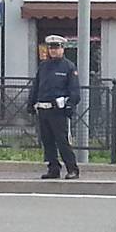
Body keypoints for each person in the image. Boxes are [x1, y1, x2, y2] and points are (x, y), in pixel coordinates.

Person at [27, 35, 81, 179]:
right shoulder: (44, 66)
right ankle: (53, 168)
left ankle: (72, 169)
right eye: (51, 48)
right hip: (43, 109)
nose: (53, 51)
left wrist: (70, 105)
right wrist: (31, 103)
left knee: (62, 141)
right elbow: (36, 86)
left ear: (62, 49)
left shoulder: (69, 67)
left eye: (56, 48)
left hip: (59, 110)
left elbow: (74, 90)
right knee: (47, 141)